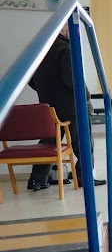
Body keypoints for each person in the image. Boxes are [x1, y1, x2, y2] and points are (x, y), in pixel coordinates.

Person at [28, 24, 106, 190]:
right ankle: (84, 178)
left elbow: (31, 79)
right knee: (84, 142)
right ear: (64, 31)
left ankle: (37, 179)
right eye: (72, 31)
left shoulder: (41, 51)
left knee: (49, 142)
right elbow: (73, 78)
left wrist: (47, 92)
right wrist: (86, 97)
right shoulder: (65, 48)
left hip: (49, 105)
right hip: (72, 106)